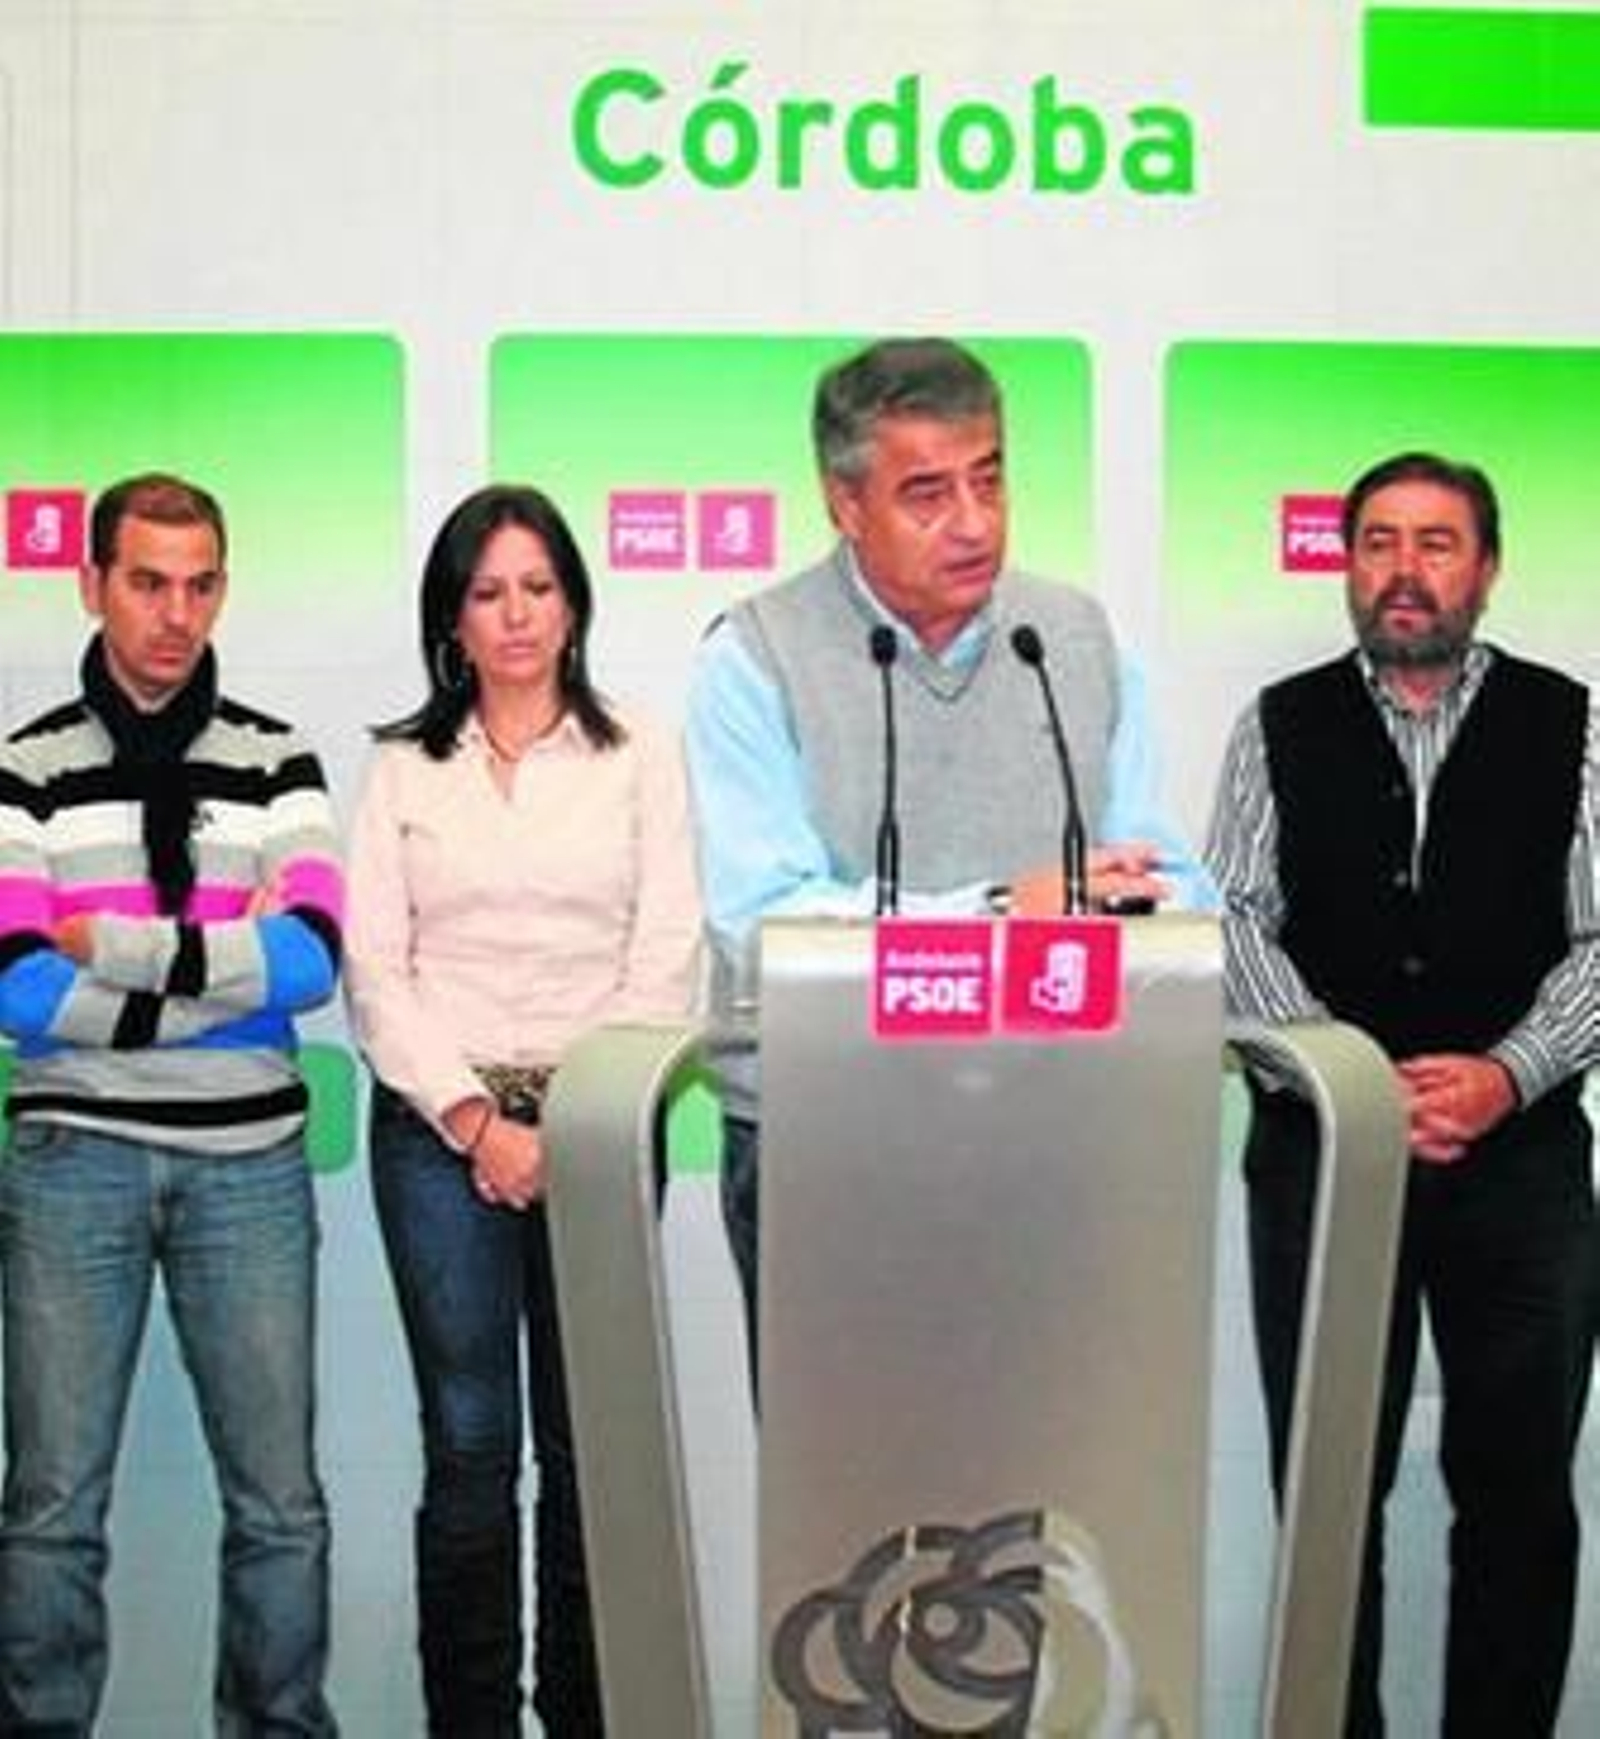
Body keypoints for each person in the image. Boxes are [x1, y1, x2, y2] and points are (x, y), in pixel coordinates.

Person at [684, 335, 1206, 1373]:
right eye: (927, 493)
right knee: (853, 1458)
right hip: (827, 1134)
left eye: (990, 479)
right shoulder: (754, 656)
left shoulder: (1075, 638)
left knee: (1050, 1449)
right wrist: (1002, 914)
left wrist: (1126, 908)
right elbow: (767, 929)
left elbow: (1164, 880)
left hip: (1053, 1123)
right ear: (844, 503)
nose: (973, 522)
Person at [1206, 452, 1598, 1737]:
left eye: (1436, 542)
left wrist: (1508, 1071)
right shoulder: (1275, 722)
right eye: (1377, 541)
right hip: (1322, 1161)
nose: (1404, 570)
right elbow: (1233, 921)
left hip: (1520, 1167)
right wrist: (1344, 1074)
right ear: (1346, 564)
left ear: (1486, 568)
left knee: (1520, 1496)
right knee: (1327, 1496)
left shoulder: (1570, 722)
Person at [343, 483, 701, 1737]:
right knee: (470, 1447)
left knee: (589, 1447)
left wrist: (571, 1125)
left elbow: (667, 950)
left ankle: (585, 1714)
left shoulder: (637, 749)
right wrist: (474, 1121)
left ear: (574, 605)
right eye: (488, 591)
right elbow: (376, 968)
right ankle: (473, 1720)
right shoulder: (405, 766)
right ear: (452, 616)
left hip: (600, 1129)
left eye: (538, 587)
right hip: (439, 1136)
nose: (516, 614)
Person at [0, 473, 343, 1734]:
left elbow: (311, 962)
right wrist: (220, 979)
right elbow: (16, 988)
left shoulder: (279, 758)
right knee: (50, 1508)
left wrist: (116, 949)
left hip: (249, 1166)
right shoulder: (22, 766)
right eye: (148, 582)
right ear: (92, 583)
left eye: (200, 585)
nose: (176, 613)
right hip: (71, 1159)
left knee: (280, 1506)